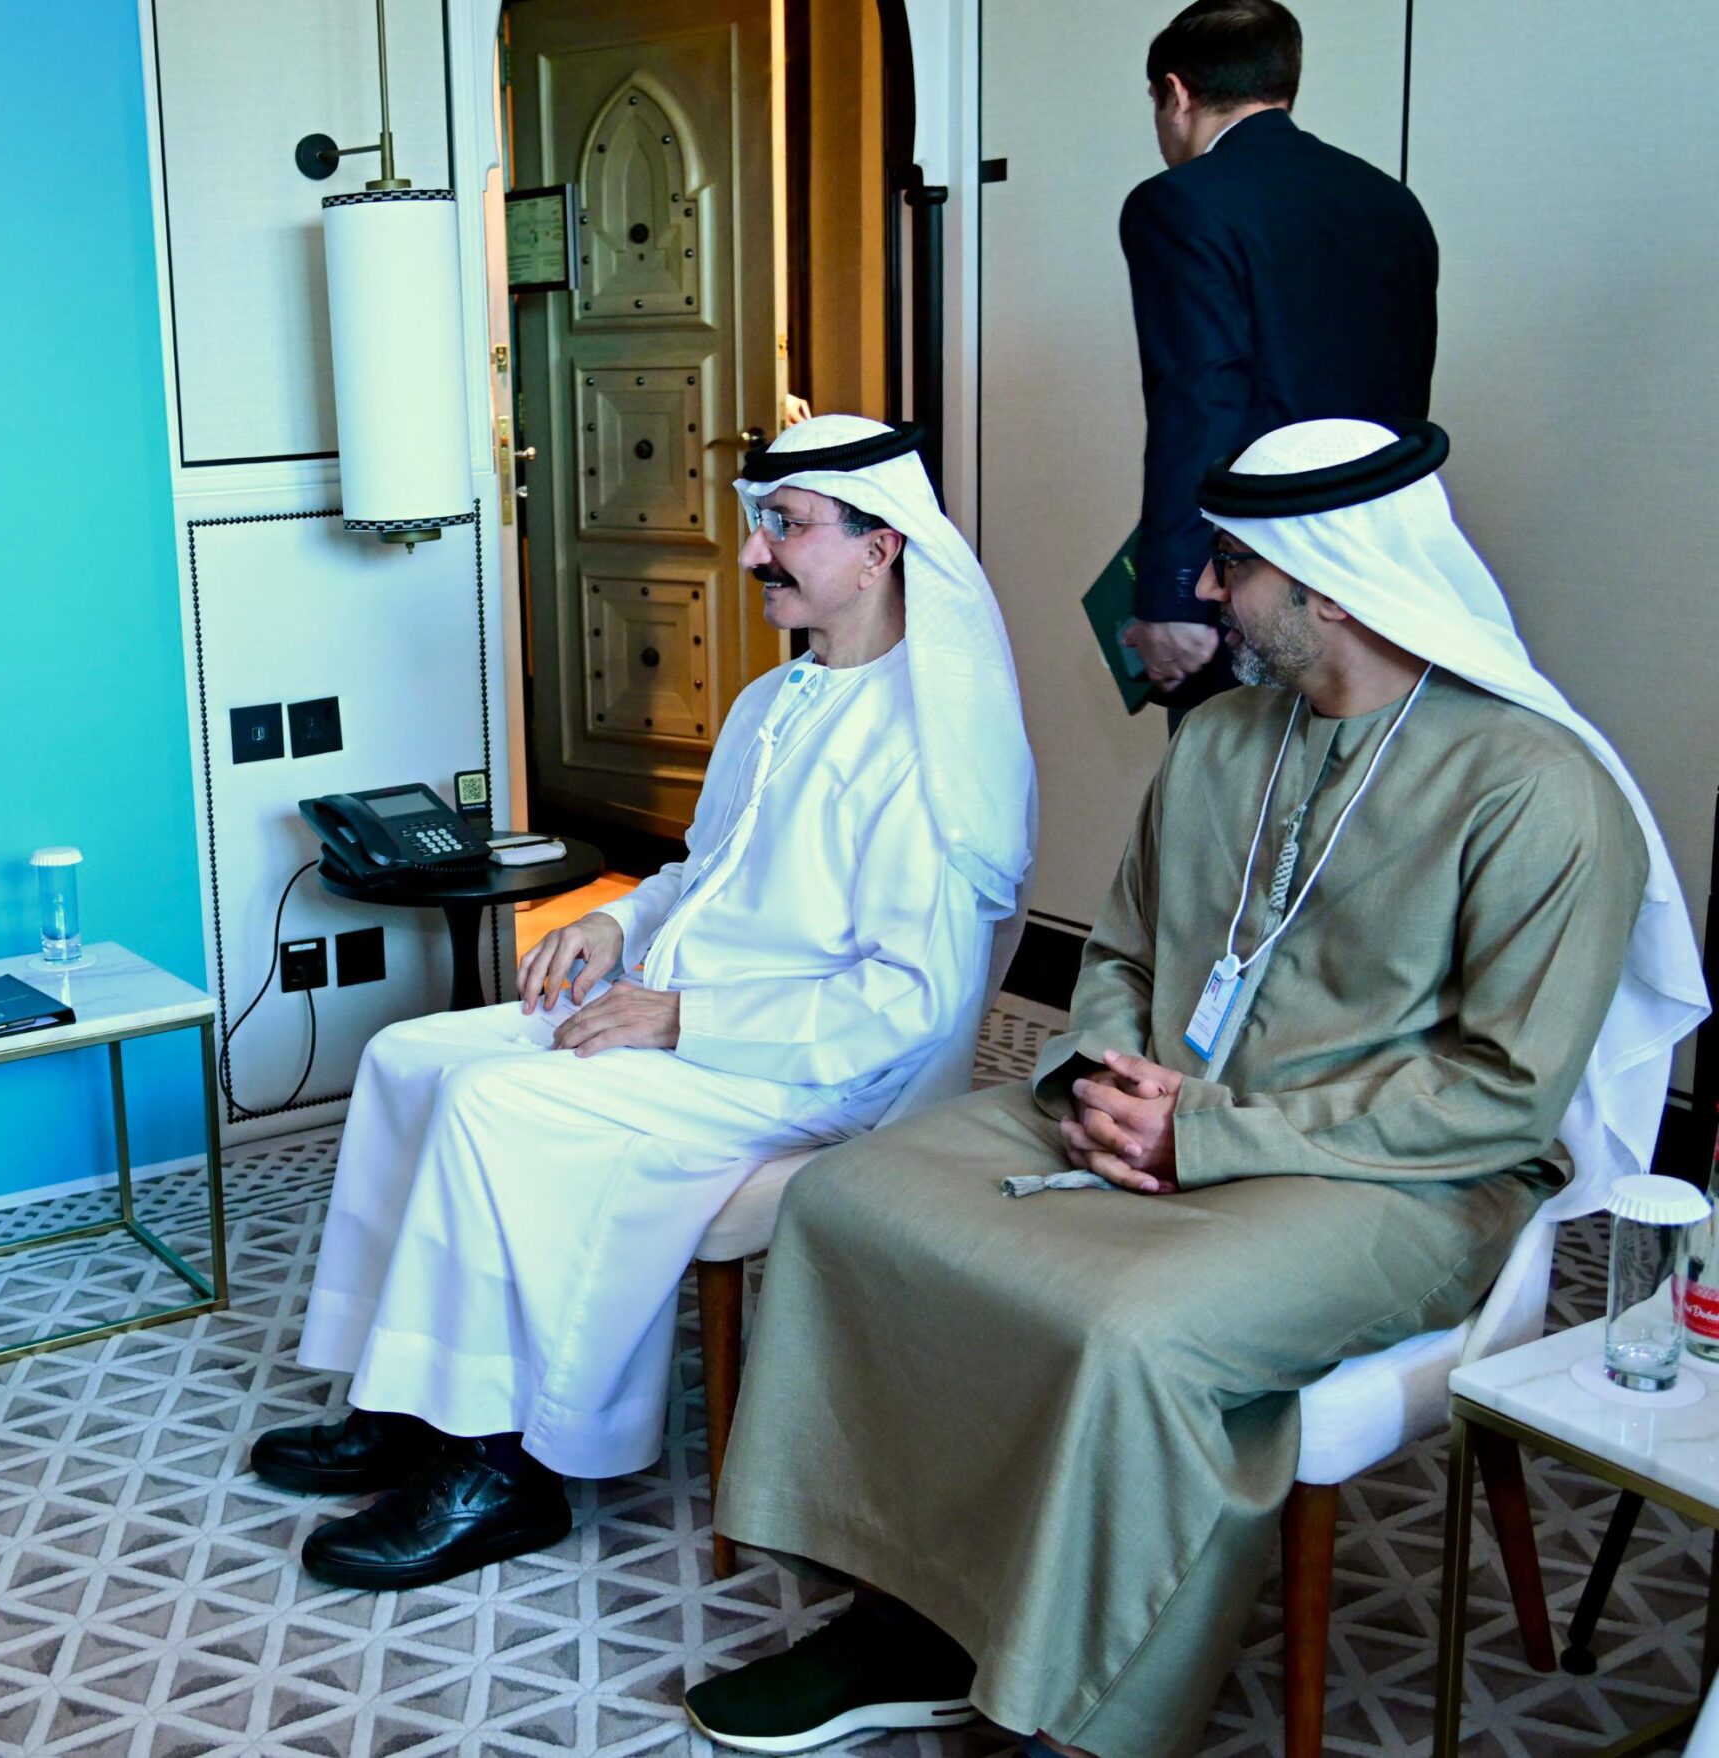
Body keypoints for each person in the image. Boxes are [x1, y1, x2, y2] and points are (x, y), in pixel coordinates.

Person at [684, 418, 1707, 1757]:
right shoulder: (1223, 739)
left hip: (1398, 1176)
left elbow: (1499, 1094)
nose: (1207, 589)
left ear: (1328, 583)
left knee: (1131, 1328)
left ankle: (1085, 1707)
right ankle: (912, 1614)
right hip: (1154, 1103)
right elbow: (1116, 951)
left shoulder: (1539, 789)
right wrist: (1111, 1076)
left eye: (1233, 563)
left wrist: (1205, 1133)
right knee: (850, 1202)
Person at [248, 415, 1037, 1590]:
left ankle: (502, 1468)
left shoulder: (928, 748)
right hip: (686, 1003)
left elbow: (904, 1006)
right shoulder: (776, 701)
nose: (756, 553)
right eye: (759, 524)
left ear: (879, 548)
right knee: (408, 1056)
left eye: (785, 527)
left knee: (495, 1105)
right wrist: (618, 921)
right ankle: (406, 1401)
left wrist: (677, 1020)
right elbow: (705, 875)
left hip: (813, 1069)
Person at [1118, 0, 1438, 719]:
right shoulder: (1392, 203)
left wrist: (1174, 590)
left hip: (1255, 569)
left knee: (1235, 774)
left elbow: (1197, 401)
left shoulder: (1179, 204)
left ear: (1176, 93)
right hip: (1375, 571)